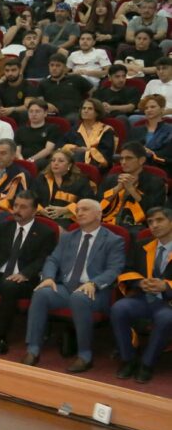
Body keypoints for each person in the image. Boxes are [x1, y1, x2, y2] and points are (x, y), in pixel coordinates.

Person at [22, 199, 125, 372]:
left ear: (99, 214)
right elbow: (52, 259)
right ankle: (33, 349)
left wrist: (94, 282)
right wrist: (48, 277)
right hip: (66, 287)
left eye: (85, 209)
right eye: (77, 210)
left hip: (94, 292)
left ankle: (85, 355)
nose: (80, 213)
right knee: (41, 292)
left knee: (79, 298)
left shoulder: (113, 240)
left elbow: (114, 270)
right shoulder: (69, 236)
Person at [0, 191, 57, 355]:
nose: (17, 210)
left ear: (34, 210)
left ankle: (1, 337)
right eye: (15, 206)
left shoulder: (45, 232)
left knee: (9, 286)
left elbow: (43, 259)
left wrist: (25, 274)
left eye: (23, 207)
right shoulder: (5, 226)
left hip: (25, 280)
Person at [111, 206, 172, 384]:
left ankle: (147, 364)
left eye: (159, 220)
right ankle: (128, 359)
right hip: (143, 298)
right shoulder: (141, 245)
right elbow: (127, 270)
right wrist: (140, 282)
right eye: (150, 222)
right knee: (119, 308)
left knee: (166, 318)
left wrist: (166, 286)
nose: (154, 225)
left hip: (168, 303)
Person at [99, 142, 167, 230]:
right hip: (105, 224)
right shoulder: (111, 179)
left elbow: (154, 212)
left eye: (129, 158)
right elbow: (96, 206)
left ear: (141, 160)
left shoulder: (155, 182)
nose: (123, 162)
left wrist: (132, 190)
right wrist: (117, 189)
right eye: (121, 158)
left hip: (136, 227)